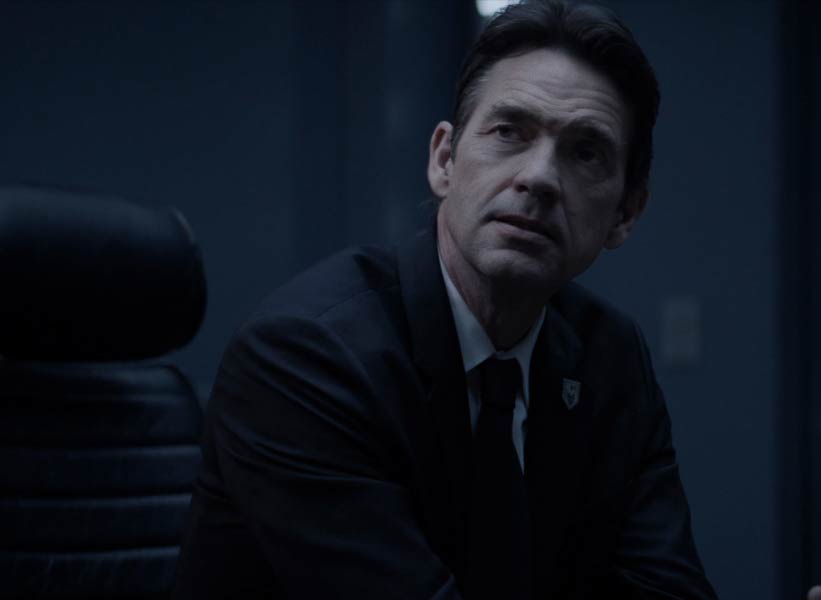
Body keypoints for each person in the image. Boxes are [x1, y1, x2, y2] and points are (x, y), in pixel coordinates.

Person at [174, 1, 718, 598]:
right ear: (443, 161)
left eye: (585, 152)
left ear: (625, 214)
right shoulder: (304, 356)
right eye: (509, 132)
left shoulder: (610, 357)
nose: (539, 176)